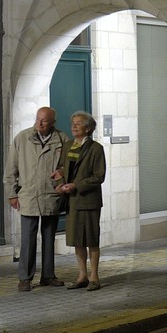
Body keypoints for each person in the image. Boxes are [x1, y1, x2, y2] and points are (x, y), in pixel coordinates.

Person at [6, 106, 68, 292]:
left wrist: (62, 175)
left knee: (49, 237)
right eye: (38, 119)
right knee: (28, 239)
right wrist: (12, 193)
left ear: (53, 123)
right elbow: (11, 169)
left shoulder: (62, 139)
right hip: (29, 195)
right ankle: (25, 278)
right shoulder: (22, 138)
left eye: (45, 121)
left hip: (51, 195)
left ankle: (48, 275)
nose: (40, 123)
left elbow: (68, 166)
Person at [56, 110, 107, 290]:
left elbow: (99, 176)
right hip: (72, 201)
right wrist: (61, 182)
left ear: (88, 128)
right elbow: (62, 169)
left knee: (91, 239)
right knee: (77, 240)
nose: (74, 126)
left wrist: (76, 185)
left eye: (78, 123)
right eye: (73, 123)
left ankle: (94, 276)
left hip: (89, 201)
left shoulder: (96, 149)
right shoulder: (69, 145)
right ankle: (82, 275)